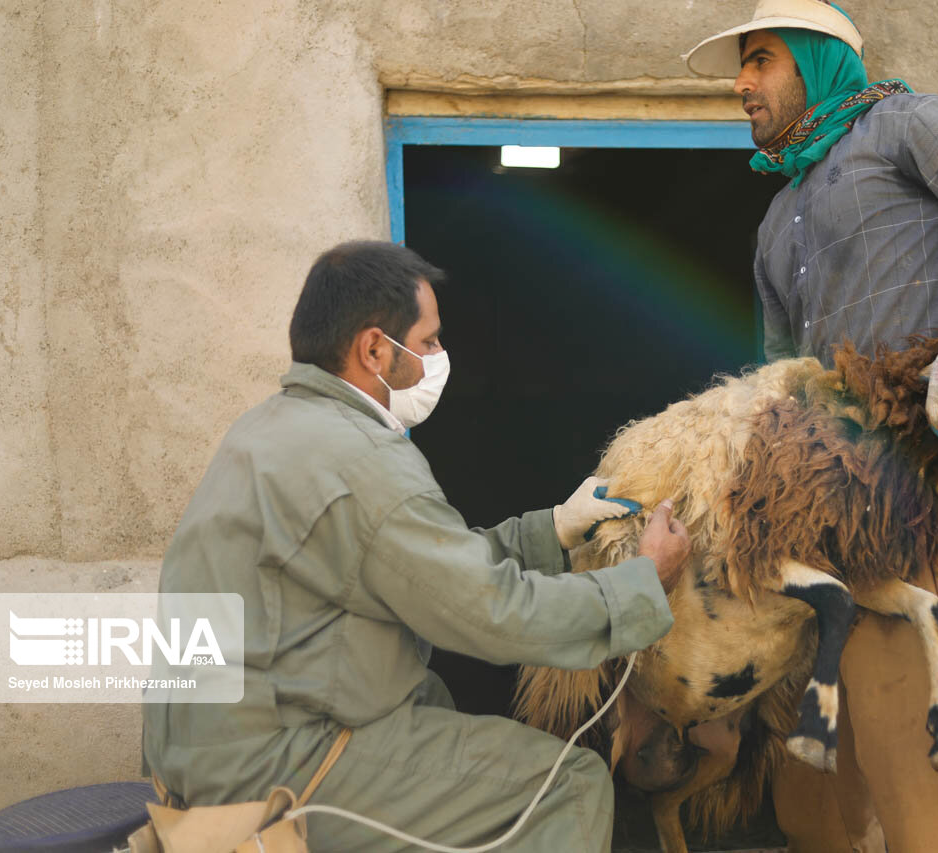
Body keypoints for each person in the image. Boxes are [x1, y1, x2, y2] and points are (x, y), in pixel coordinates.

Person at [142, 240, 691, 852]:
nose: (438, 357)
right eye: (428, 342)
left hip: (203, 752)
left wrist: (555, 530)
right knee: (567, 783)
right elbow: (486, 611)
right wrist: (641, 581)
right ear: (374, 349)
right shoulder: (362, 458)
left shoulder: (265, 429)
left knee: (432, 702)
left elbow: (411, 566)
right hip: (279, 763)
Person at [684, 2, 938, 851]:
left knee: (934, 771)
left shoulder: (906, 124)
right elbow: (778, 377)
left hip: (926, 480)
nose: (742, 84)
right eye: (741, 69)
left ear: (820, 59)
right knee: (816, 788)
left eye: (759, 59)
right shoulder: (775, 217)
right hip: (826, 509)